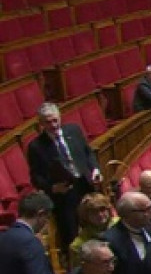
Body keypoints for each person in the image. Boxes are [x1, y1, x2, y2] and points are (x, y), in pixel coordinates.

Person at [27, 102, 101, 249]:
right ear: (41, 123)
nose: (53, 125)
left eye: (55, 120)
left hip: (86, 183)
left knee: (97, 219)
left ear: (60, 118)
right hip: (64, 194)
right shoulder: (36, 146)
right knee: (71, 232)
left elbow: (88, 152)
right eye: (48, 122)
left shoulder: (74, 130)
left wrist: (95, 169)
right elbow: (36, 177)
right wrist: (52, 188)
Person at [69, 192, 118, 263]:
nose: (100, 214)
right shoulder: (77, 245)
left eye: (102, 209)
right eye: (94, 212)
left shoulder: (121, 225)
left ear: (109, 209)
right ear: (85, 215)